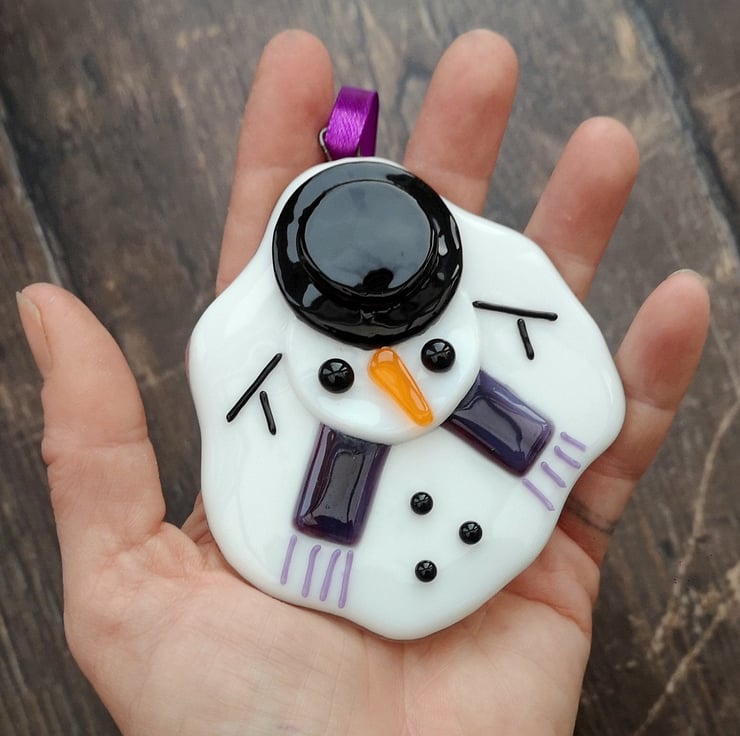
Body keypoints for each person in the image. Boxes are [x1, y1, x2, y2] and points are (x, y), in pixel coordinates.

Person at [16, 29, 709, 735]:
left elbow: (580, 399)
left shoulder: (518, 318)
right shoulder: (261, 414)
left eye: (429, 354)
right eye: (343, 369)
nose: (402, 388)